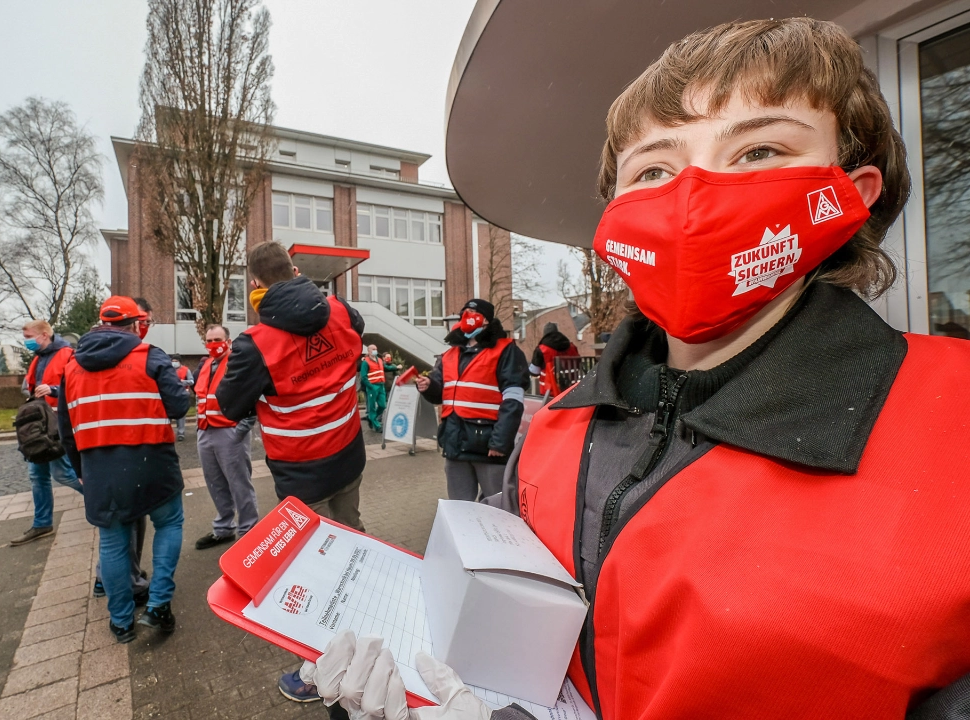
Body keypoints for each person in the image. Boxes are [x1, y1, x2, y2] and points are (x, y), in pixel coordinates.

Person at [302, 18, 970, 720]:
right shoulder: (558, 432)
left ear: (852, 192)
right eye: (653, 170)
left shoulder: (952, 426)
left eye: (759, 150)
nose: (695, 194)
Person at [214, 241, 367, 708]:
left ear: (255, 285)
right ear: (295, 270)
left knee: (313, 572)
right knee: (353, 543)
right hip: (349, 454)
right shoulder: (340, 310)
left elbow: (228, 405)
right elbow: (355, 335)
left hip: (302, 475)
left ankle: (320, 671)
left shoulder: (255, 343)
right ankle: (370, 625)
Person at [57, 295, 190, 644]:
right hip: (153, 462)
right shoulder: (150, 356)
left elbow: (66, 429)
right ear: (134, 325)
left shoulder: (71, 367)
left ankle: (121, 622)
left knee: (113, 542)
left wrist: (80, 469)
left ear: (102, 324)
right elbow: (179, 406)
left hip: (100, 469)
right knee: (169, 523)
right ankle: (158, 605)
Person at [417, 299, 529, 502]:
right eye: (464, 312)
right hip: (455, 444)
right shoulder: (449, 355)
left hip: (489, 447)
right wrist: (428, 386)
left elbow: (513, 401)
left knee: (497, 507)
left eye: (473, 312)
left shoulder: (506, 351)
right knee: (459, 508)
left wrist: (500, 443)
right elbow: (440, 393)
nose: (467, 316)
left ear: (487, 320)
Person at [12, 320, 84, 546]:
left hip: (56, 424)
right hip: (40, 425)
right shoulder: (38, 358)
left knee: (63, 474)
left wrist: (53, 390)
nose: (26, 341)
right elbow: (29, 386)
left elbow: (78, 386)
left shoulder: (68, 355)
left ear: (44, 335)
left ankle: (107, 504)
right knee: (38, 475)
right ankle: (42, 523)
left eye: (29, 337)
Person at [192, 324, 257, 550]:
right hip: (206, 430)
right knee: (215, 483)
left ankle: (248, 531)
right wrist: (199, 429)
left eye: (217, 340)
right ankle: (224, 528)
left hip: (230, 432)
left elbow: (252, 396)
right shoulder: (205, 365)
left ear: (228, 342)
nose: (213, 345)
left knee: (239, 483)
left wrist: (240, 430)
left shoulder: (237, 363)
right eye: (209, 341)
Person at [529, 322, 580, 398]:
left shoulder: (542, 349)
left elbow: (534, 372)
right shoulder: (572, 347)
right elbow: (578, 364)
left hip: (550, 393)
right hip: (572, 389)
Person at [358, 344, 397, 432]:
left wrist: (395, 367)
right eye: (373, 349)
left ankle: (371, 418)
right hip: (372, 386)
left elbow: (386, 367)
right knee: (372, 407)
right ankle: (377, 426)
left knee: (383, 405)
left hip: (381, 386)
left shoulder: (379, 360)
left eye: (376, 349)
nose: (375, 350)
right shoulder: (365, 362)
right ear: (369, 351)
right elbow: (363, 377)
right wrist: (370, 386)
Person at [170, 354, 194, 441]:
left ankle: (181, 433)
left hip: (181, 395)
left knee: (181, 415)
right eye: (173, 361)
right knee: (168, 414)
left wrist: (182, 382)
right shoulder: (168, 369)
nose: (174, 363)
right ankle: (168, 433)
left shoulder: (185, 370)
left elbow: (191, 381)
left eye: (176, 361)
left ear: (180, 362)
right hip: (170, 394)